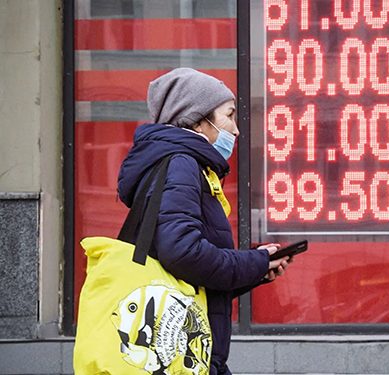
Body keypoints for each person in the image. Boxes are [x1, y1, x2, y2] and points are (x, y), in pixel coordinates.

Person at [117, 67, 290, 374]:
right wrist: (253, 262)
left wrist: (257, 268)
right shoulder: (182, 163)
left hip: (189, 356)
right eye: (229, 115)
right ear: (197, 120)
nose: (236, 130)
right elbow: (182, 252)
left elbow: (187, 281)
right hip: (184, 358)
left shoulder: (177, 163)